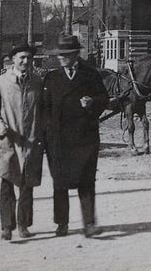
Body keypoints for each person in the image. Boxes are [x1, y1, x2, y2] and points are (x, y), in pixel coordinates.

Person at [43, 34, 109, 238]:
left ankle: (89, 224)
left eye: (66, 54)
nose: (61, 58)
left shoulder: (91, 75)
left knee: (86, 181)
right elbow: (44, 109)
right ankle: (62, 223)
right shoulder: (52, 78)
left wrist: (93, 102)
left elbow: (104, 98)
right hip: (59, 140)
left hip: (85, 139)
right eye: (59, 54)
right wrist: (47, 135)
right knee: (59, 182)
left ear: (76, 55)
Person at [0, 43, 44, 241]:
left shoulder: (37, 82)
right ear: (13, 60)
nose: (26, 61)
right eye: (22, 58)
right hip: (8, 141)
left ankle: (23, 225)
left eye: (29, 58)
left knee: (27, 184)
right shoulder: (1, 83)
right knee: (7, 182)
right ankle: (7, 226)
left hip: (30, 142)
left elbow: (44, 110)